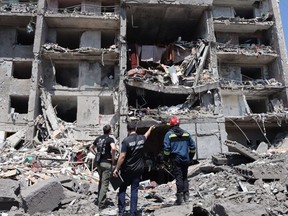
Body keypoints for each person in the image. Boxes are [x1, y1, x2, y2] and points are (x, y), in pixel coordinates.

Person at [113, 121, 155, 216]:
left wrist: (116, 168)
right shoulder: (141, 139)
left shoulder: (126, 141)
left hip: (127, 170)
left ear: (127, 130)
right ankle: (133, 213)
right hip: (138, 169)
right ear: (135, 129)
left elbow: (122, 156)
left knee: (122, 189)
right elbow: (146, 135)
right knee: (134, 190)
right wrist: (150, 129)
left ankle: (121, 212)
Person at [163, 116, 196, 205]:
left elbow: (166, 149)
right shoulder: (186, 134)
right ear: (179, 124)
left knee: (179, 178)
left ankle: (180, 199)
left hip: (176, 159)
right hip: (185, 159)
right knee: (185, 177)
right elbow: (193, 147)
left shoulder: (169, 134)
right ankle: (187, 198)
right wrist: (190, 157)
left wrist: (165, 159)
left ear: (171, 125)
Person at [90, 124, 116, 210]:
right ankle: (101, 204)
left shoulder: (98, 138)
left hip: (98, 163)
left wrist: (96, 154)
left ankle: (99, 199)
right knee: (105, 184)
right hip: (106, 163)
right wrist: (112, 159)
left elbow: (91, 147)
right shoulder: (110, 139)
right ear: (110, 131)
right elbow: (113, 148)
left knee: (101, 181)